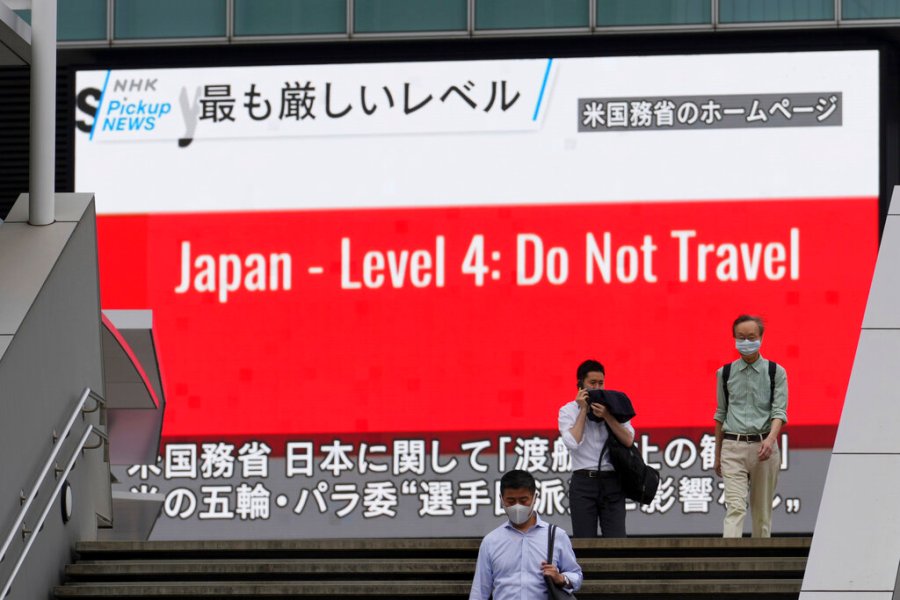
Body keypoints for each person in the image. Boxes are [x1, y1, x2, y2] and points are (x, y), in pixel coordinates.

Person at [714, 314, 788, 538]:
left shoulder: (776, 372)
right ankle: (730, 563)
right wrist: (717, 455)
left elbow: (779, 412)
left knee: (762, 513)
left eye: (751, 337)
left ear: (761, 338)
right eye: (741, 337)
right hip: (732, 445)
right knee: (735, 507)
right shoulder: (724, 373)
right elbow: (720, 414)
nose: (746, 342)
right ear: (734, 339)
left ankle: (760, 565)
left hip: (763, 447)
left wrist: (770, 439)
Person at [469, 469, 582, 600]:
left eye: (523, 500)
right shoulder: (491, 541)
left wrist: (561, 578)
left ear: (535, 498)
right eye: (511, 501)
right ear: (501, 499)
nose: (517, 506)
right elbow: (480, 590)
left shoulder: (557, 536)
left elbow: (576, 575)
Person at [558, 360, 635, 538]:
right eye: (592, 383)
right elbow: (572, 442)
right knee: (584, 541)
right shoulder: (568, 410)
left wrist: (607, 415)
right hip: (583, 482)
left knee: (617, 541)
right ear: (580, 384)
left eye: (601, 383)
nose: (597, 387)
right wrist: (583, 410)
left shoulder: (615, 406)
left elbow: (628, 440)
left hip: (612, 481)